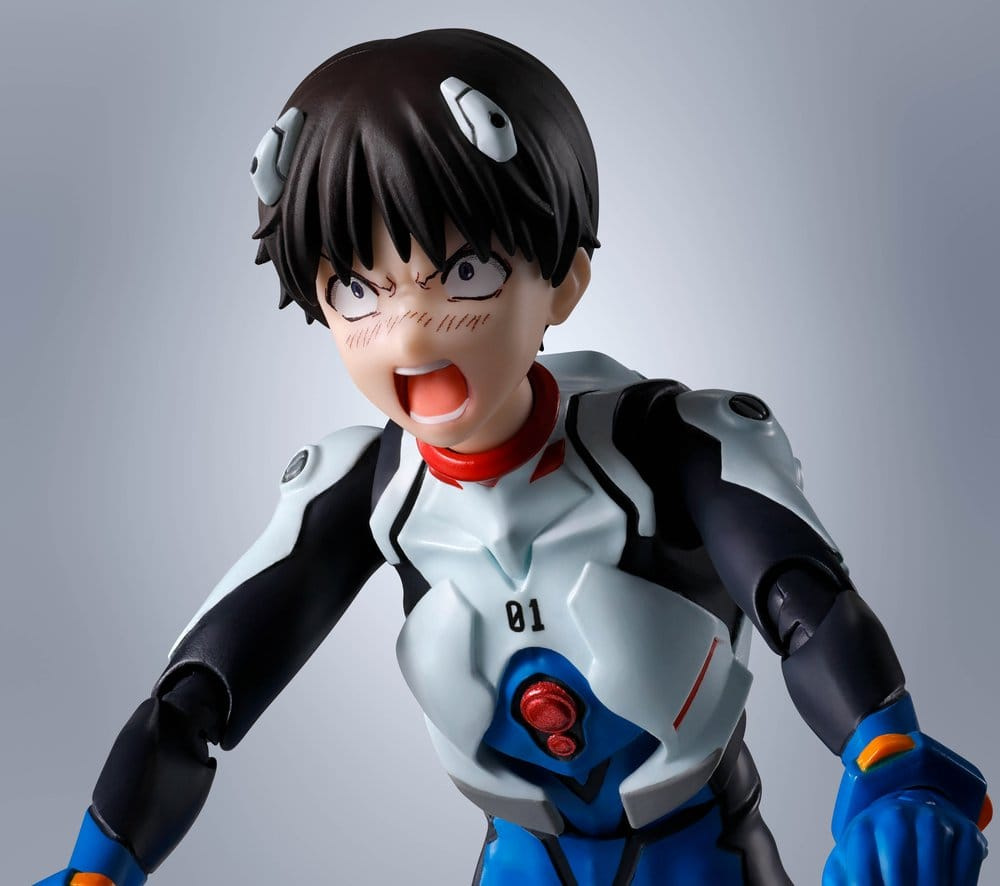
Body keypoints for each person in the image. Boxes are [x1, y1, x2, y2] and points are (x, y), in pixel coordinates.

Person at [38, 29, 989, 886]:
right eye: (358, 289)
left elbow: (807, 609)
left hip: (698, 853)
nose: (410, 333)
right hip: (520, 859)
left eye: (465, 274)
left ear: (563, 279)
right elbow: (193, 704)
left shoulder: (670, 444)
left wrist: (891, 765)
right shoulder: (370, 491)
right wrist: (95, 873)